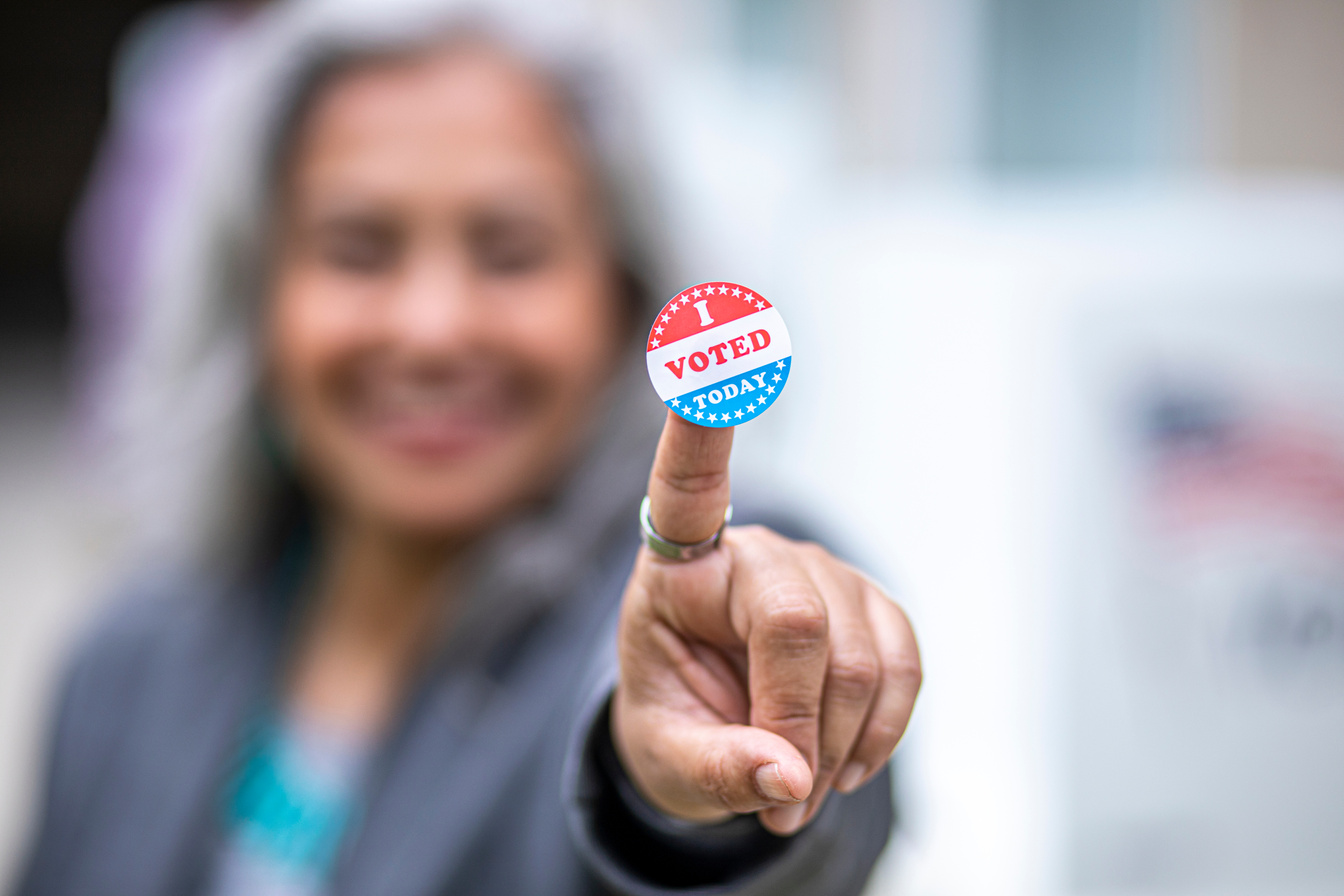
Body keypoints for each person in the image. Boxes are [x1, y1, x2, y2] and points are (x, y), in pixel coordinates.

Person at [16, 1, 920, 894]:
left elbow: (771, 825)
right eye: (358, 249)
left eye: (511, 252)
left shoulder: (705, 601)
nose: (434, 328)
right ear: (254, 299)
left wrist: (681, 799)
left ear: (622, 295)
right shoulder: (128, 655)